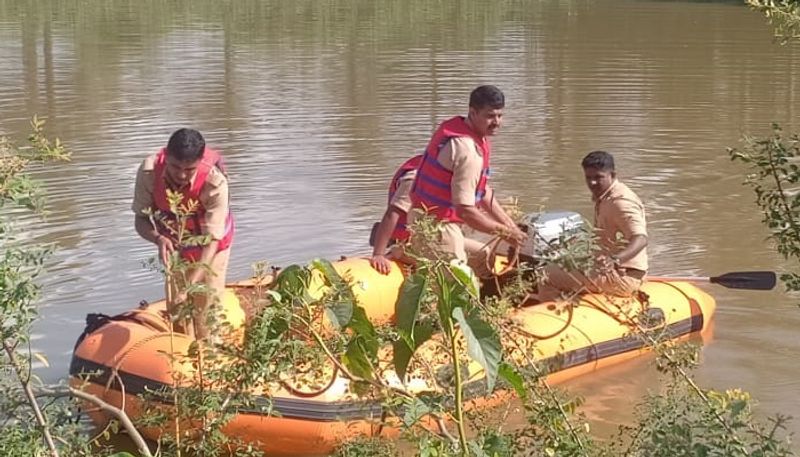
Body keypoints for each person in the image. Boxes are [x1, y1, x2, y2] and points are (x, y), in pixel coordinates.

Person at [408, 85, 527, 277]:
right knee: (459, 287)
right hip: (436, 227)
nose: (497, 122)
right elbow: (465, 211)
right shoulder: (466, 150)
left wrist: (510, 225)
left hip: (428, 221)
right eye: (490, 116)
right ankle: (405, 254)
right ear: (473, 112)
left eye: (500, 116)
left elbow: (483, 191)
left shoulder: (466, 131)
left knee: (483, 255)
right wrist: (504, 233)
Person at [132, 128, 234, 339]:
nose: (180, 175)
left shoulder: (215, 182)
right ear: (166, 157)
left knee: (206, 308)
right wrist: (158, 238)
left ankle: (210, 354)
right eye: (175, 166)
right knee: (177, 314)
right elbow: (140, 219)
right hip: (174, 245)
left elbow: (212, 242)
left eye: (189, 170)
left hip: (211, 246)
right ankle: (181, 356)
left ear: (198, 163)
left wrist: (190, 285)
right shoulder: (149, 172)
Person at [537, 150, 648, 301]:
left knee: (545, 274)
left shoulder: (621, 202)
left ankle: (554, 315)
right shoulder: (605, 196)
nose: (592, 183)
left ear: (613, 175)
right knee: (557, 261)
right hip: (609, 269)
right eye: (588, 177)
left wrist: (615, 259)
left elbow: (640, 238)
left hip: (623, 277)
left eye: (598, 177)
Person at [369, 154, 423, 275]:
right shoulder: (415, 178)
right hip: (407, 245)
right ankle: (393, 252)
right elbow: (393, 213)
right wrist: (378, 254)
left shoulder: (457, 174)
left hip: (428, 240)